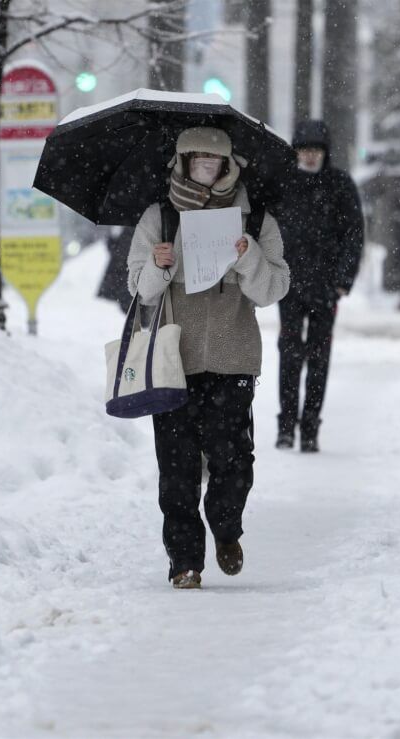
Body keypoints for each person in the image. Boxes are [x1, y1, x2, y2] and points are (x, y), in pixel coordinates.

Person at [127, 127, 290, 590]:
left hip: (233, 359)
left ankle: (226, 529)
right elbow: (137, 290)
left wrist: (247, 256)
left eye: (213, 162)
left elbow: (273, 289)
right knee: (175, 468)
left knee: (234, 461)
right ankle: (184, 562)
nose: (205, 169)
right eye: (195, 161)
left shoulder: (256, 220)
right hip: (172, 361)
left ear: (228, 166)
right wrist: (158, 266)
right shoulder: (158, 218)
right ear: (180, 162)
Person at [273, 120, 364, 453]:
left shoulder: (339, 185)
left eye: (316, 150)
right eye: (305, 150)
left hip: (326, 288)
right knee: (289, 355)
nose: (310, 157)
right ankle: (286, 426)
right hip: (289, 285)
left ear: (325, 153)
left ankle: (310, 427)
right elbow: (268, 229)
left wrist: (342, 280)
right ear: (296, 151)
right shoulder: (283, 183)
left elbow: (354, 234)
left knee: (319, 357)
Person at [97, 226, 135, 313]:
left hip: (123, 273)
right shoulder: (124, 228)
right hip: (121, 273)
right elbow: (114, 249)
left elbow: (116, 249)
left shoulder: (128, 229)